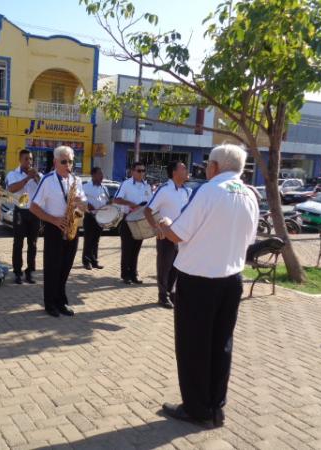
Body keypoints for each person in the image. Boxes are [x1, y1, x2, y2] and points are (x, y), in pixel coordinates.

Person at [158, 144, 259, 428]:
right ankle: (216, 405)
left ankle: (196, 408)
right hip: (231, 280)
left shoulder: (209, 191)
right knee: (221, 344)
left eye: (207, 164)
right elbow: (249, 239)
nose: (204, 168)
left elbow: (178, 233)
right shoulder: (250, 195)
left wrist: (165, 224)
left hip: (199, 281)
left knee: (193, 346)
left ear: (215, 166)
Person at [30, 146, 87, 317]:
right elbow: (33, 207)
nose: (68, 165)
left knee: (65, 267)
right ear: (55, 162)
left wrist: (79, 203)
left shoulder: (76, 181)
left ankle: (61, 300)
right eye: (64, 161)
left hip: (72, 227)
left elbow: (84, 206)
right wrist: (54, 220)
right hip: (54, 228)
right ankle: (50, 303)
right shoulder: (47, 180)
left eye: (71, 161)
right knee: (52, 268)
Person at [144, 161, 190, 309]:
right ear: (174, 173)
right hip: (166, 235)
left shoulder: (186, 191)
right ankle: (162, 296)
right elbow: (148, 210)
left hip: (182, 236)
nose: (187, 171)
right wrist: (156, 228)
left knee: (177, 267)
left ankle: (171, 293)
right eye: (183, 168)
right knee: (165, 267)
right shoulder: (164, 189)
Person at [5, 149, 42, 284]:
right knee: (18, 243)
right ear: (20, 160)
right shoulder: (13, 174)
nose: (29, 162)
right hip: (20, 211)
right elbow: (11, 189)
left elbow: (44, 190)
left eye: (31, 159)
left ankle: (30, 272)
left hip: (34, 212)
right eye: (26, 159)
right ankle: (17, 273)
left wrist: (37, 178)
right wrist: (27, 178)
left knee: (32, 244)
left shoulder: (38, 175)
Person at [113, 161, 153, 284]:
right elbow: (116, 199)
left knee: (136, 249)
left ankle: (134, 274)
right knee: (127, 249)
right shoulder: (126, 184)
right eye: (139, 171)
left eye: (143, 171)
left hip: (140, 221)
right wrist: (131, 204)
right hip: (128, 220)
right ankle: (125, 275)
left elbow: (151, 202)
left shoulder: (147, 186)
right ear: (132, 172)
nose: (141, 173)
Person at [82, 167, 110, 270]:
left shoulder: (104, 188)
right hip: (90, 217)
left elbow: (107, 201)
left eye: (102, 174)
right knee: (88, 239)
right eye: (99, 174)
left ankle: (94, 261)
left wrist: (108, 205)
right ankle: (86, 261)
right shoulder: (85, 187)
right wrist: (87, 204)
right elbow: (80, 199)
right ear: (93, 175)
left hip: (101, 217)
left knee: (96, 240)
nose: (101, 176)